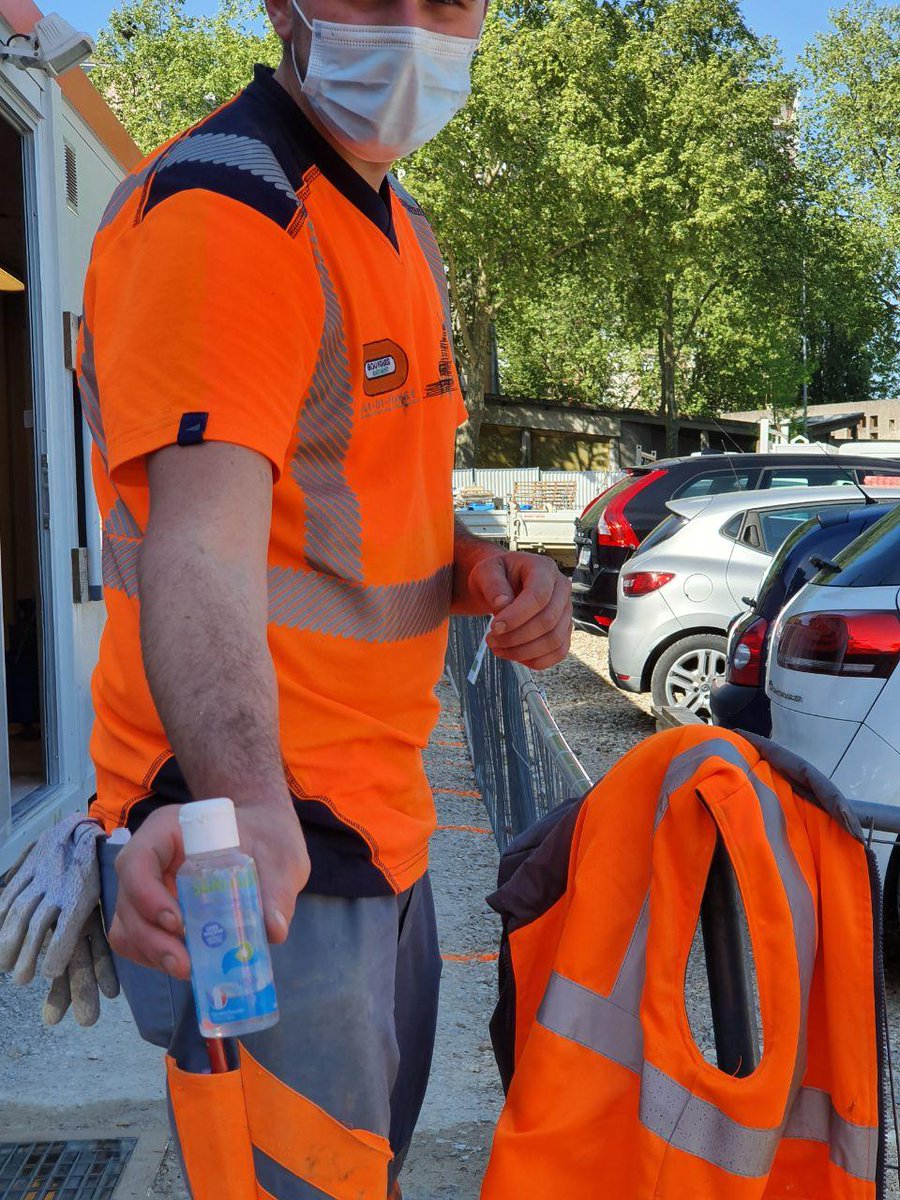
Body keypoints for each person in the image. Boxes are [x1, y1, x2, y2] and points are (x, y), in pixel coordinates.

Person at [78, 0, 572, 1193]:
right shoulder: (227, 209)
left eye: (445, 1)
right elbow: (200, 545)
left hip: (377, 818)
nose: (412, 25)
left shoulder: (399, 228)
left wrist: (480, 568)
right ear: (282, 7)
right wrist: (249, 808)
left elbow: (357, 495)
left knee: (359, 1173)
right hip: (256, 848)